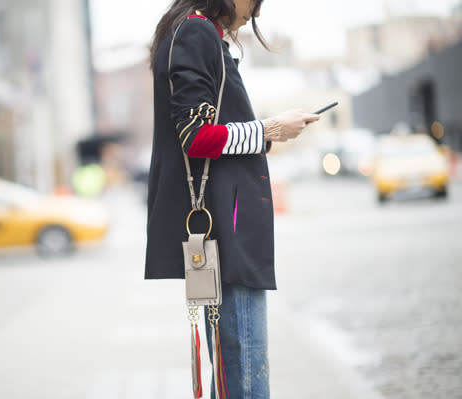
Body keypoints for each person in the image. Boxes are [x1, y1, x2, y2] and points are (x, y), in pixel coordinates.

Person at [145, 0, 320, 397]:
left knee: (233, 371)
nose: (256, 12)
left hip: (225, 228)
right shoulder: (195, 31)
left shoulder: (195, 32)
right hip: (228, 231)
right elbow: (197, 137)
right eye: (255, 2)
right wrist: (271, 128)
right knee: (244, 374)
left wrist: (266, 131)